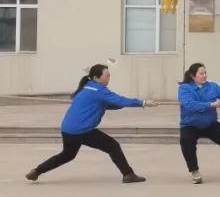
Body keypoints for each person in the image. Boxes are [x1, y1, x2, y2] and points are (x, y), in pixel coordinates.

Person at [26, 64, 156, 183]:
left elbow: (108, 104)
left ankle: (37, 171)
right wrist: (142, 103)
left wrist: (122, 104)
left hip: (67, 130)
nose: (109, 78)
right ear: (96, 77)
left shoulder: (87, 88)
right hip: (82, 130)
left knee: (67, 155)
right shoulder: (99, 91)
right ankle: (128, 175)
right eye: (106, 75)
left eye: (109, 75)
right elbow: (119, 100)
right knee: (113, 146)